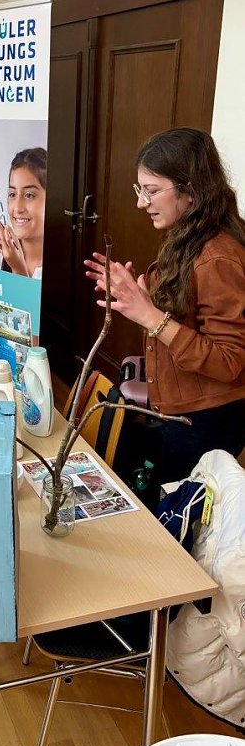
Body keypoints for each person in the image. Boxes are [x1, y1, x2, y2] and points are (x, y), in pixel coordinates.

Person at [84, 127, 245, 484]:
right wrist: (140, 299)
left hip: (207, 419)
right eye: (140, 189)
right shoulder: (189, 235)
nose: (141, 202)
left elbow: (230, 361)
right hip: (182, 409)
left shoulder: (218, 257)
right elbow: (189, 319)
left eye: (152, 191)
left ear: (191, 190)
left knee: (178, 521)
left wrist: (150, 314)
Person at [0, 147, 47, 278]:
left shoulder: (63, 267)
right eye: (12, 194)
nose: (17, 208)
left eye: (29, 195)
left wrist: (18, 269)